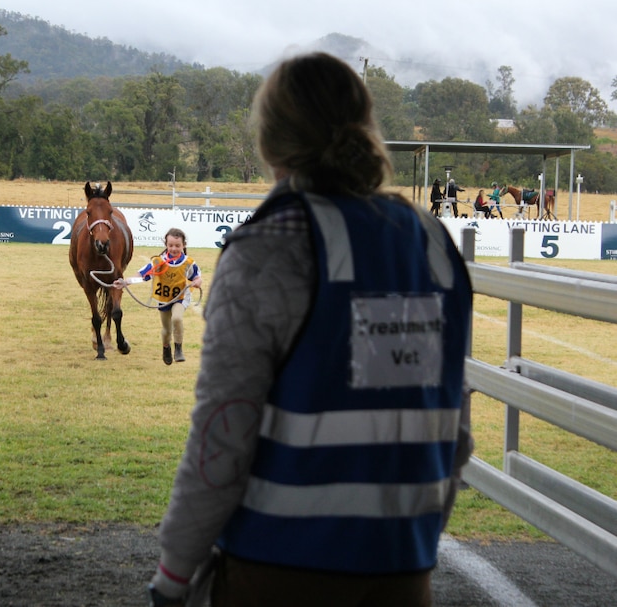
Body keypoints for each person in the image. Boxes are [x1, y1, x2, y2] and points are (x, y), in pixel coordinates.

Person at [146, 52, 473, 607]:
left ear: (269, 145)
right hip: (402, 571)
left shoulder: (265, 250)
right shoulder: (432, 244)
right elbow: (451, 431)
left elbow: (222, 437)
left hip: (276, 570)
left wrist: (173, 576)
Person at [138, 228, 202, 365]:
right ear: (166, 245)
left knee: (177, 318)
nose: (174, 248)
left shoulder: (188, 263)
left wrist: (197, 282)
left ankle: (178, 348)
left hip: (180, 297)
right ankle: (166, 347)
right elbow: (143, 274)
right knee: (166, 330)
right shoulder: (158, 262)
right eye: (171, 245)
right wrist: (126, 281)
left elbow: (196, 276)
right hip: (164, 299)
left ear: (183, 245)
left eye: (177, 246)